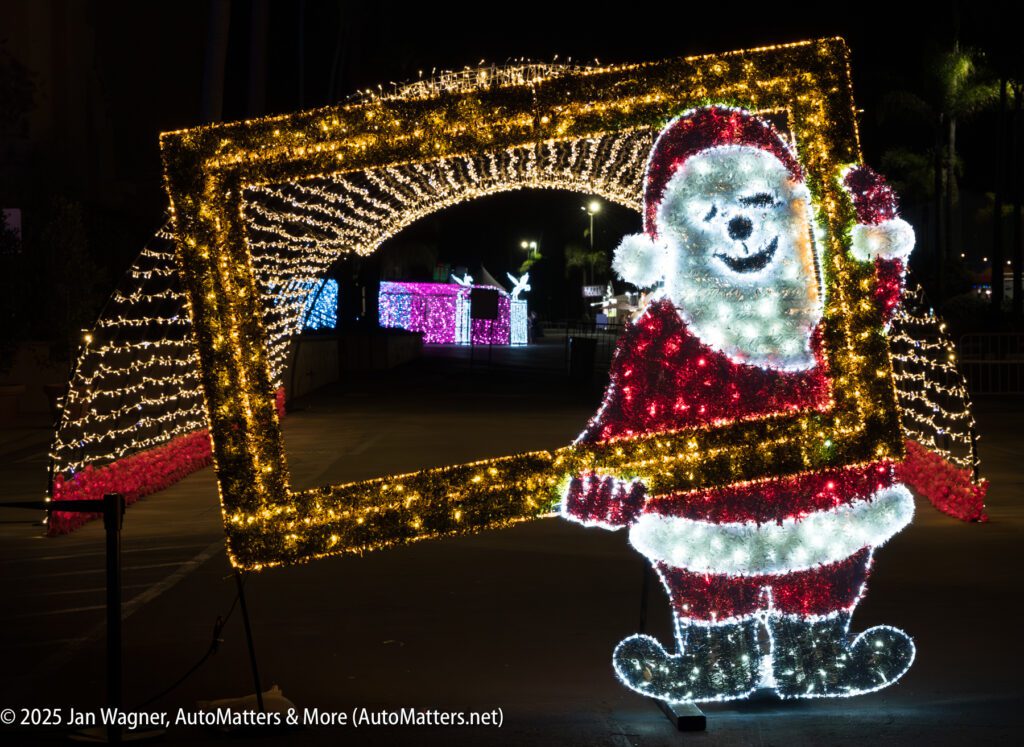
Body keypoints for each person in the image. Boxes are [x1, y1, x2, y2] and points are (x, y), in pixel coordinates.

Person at [561, 106, 916, 702]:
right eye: (712, 214)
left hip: (825, 500)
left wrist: (877, 232)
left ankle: (818, 653)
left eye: (758, 204)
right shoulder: (665, 332)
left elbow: (874, 303)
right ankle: (714, 657)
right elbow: (627, 409)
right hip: (706, 513)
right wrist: (599, 468)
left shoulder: (822, 308)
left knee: (824, 576)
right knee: (711, 588)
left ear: (791, 207)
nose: (740, 226)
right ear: (673, 236)